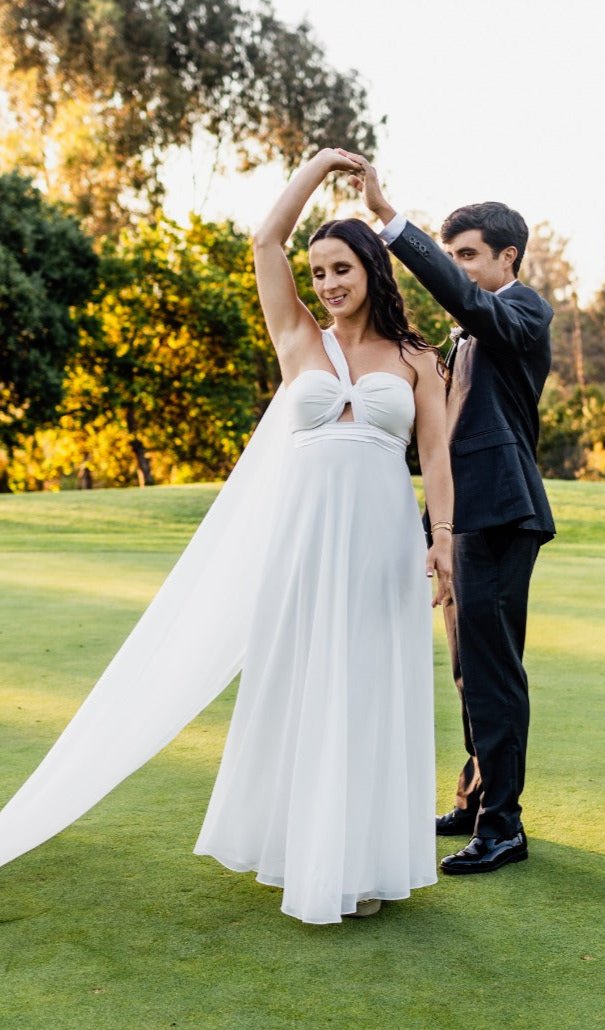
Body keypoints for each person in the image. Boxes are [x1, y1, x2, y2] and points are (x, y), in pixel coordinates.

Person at [0, 148, 454, 925]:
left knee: (371, 689)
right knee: (309, 688)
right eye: (319, 273)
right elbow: (265, 241)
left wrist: (441, 538)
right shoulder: (298, 337)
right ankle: (308, 856)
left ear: (372, 269)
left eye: (341, 269)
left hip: (381, 540)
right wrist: (318, 166)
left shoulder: (417, 358)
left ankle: (368, 862)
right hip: (304, 542)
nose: (328, 283)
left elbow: (437, 455)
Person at [343, 150, 555, 875]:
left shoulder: (522, 310)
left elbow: (469, 304)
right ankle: (475, 799)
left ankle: (504, 827)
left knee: (493, 671)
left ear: (507, 257)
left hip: (501, 512)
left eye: (469, 254)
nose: (460, 267)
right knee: (469, 670)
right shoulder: (468, 335)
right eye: (453, 254)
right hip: (463, 519)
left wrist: (388, 220)